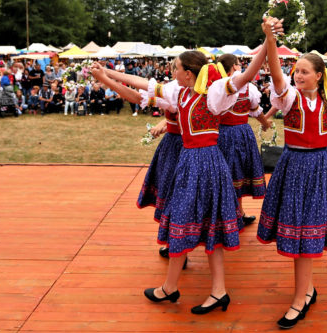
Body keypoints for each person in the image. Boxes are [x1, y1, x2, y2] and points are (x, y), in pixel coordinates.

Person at [94, 45, 266, 316]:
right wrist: (107, 73)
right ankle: (199, 289)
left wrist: (268, 41)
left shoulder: (214, 94)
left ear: (188, 73)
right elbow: (142, 84)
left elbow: (244, 77)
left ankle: (176, 288)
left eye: (175, 68)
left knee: (190, 221)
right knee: (201, 222)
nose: (171, 72)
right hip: (191, 161)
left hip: (206, 162)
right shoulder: (180, 92)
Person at [257, 17, 327, 329]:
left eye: (305, 72)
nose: (299, 76)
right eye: (297, 72)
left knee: (307, 232)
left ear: (319, 76)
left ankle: (301, 296)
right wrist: (269, 39)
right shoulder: (290, 96)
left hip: (320, 169)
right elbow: (277, 75)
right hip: (295, 168)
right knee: (299, 231)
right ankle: (304, 292)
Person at [214, 53, 272, 225]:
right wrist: (265, 123)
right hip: (241, 133)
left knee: (228, 174)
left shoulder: (218, 85)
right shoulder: (248, 87)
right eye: (239, 63)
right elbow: (255, 110)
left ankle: (236, 213)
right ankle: (235, 214)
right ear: (234, 66)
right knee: (238, 173)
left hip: (221, 133)